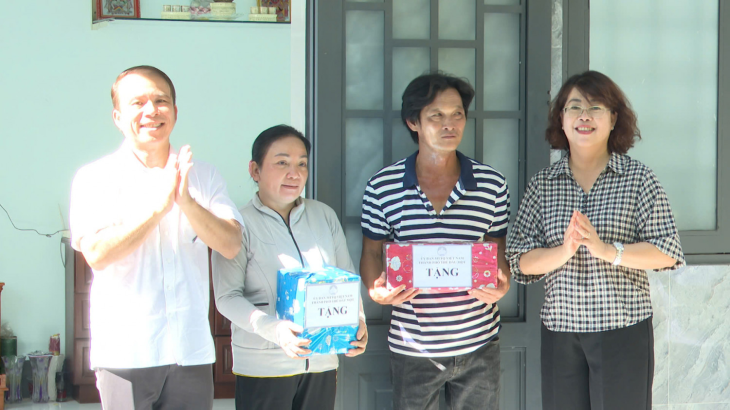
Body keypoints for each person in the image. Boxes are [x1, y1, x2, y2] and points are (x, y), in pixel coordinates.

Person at [506, 70, 685, 410]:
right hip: (561, 331)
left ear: (613, 118)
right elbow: (519, 260)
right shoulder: (544, 184)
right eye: (574, 107)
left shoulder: (638, 178)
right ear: (561, 119)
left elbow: (667, 251)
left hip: (622, 329)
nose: (584, 116)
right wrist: (564, 250)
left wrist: (607, 250)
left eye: (596, 107)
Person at [69, 66, 244, 410]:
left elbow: (231, 244)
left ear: (175, 112)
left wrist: (186, 202)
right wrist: (157, 209)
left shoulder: (203, 176)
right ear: (118, 117)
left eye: (161, 101)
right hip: (126, 353)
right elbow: (97, 254)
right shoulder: (95, 178)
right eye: (138, 103)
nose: (151, 110)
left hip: (191, 350)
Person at [360, 73, 511, 410]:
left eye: (457, 114)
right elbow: (371, 252)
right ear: (413, 122)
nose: (449, 124)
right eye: (436, 115)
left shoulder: (492, 184)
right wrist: (375, 291)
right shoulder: (382, 185)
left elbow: (497, 249)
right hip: (413, 346)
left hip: (479, 342)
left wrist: (502, 285)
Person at [211, 125, 368, 410]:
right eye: (282, 163)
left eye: (302, 164)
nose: (294, 173)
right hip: (263, 368)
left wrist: (358, 321)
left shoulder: (324, 216)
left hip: (321, 363)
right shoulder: (237, 225)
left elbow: (346, 281)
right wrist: (275, 329)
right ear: (255, 170)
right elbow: (227, 297)